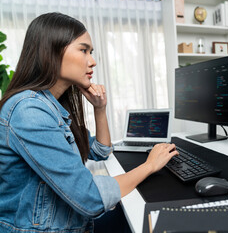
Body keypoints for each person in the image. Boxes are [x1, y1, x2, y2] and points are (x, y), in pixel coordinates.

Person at [0, 12, 178, 232]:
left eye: (91, 52)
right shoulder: (29, 111)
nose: (92, 61)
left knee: (141, 212)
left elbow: (101, 150)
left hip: (71, 222)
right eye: (83, 50)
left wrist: (100, 109)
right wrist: (150, 165)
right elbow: (90, 197)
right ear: (51, 52)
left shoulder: (51, 106)